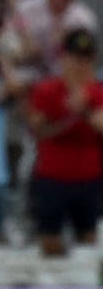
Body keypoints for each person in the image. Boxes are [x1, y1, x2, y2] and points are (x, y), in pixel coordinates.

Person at [25, 28, 103, 256]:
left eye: (85, 59)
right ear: (64, 58)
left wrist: (85, 108)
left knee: (88, 242)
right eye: (75, 58)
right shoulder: (48, 89)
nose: (80, 65)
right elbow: (36, 127)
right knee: (50, 242)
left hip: (89, 179)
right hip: (53, 177)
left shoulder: (97, 92)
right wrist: (63, 110)